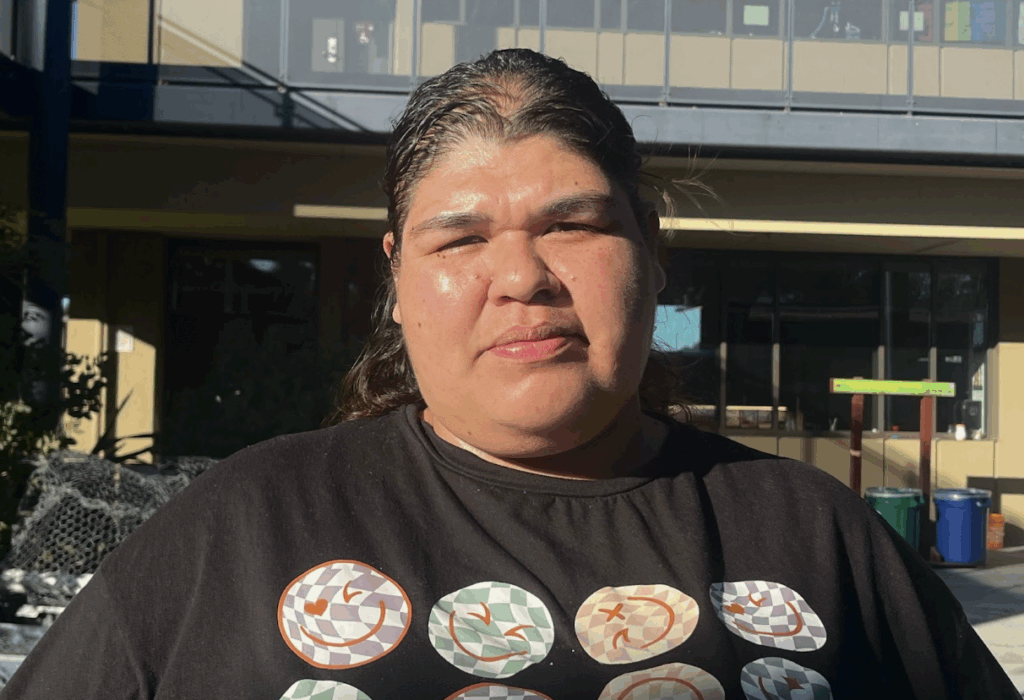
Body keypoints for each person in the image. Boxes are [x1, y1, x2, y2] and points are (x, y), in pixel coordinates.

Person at [2, 49, 1017, 700]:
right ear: (397, 279)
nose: (523, 276)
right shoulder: (240, 526)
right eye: (460, 239)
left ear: (651, 250)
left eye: (573, 225)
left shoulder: (815, 533)